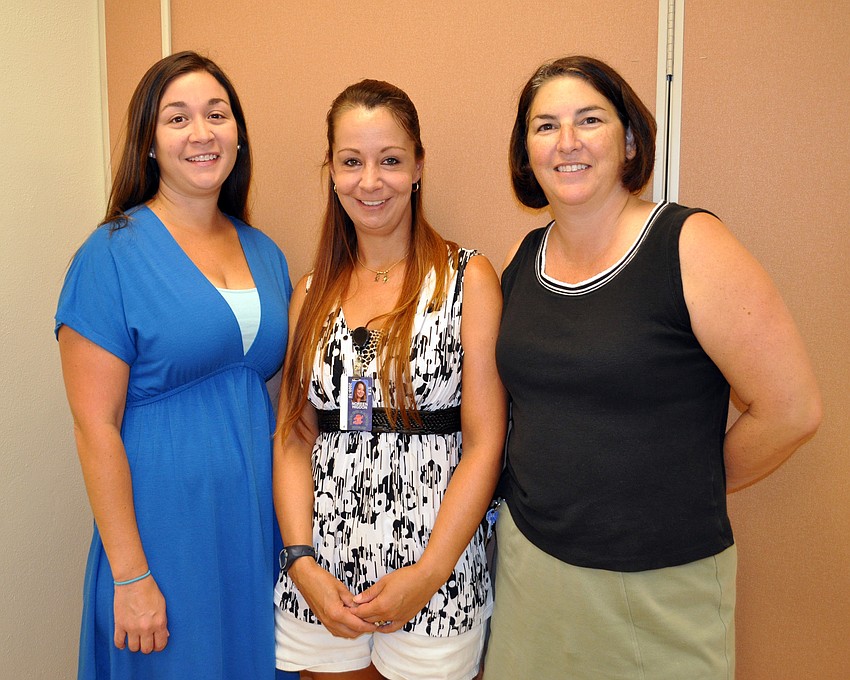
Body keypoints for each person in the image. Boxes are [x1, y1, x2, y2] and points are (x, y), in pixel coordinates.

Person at [484, 56, 822, 680]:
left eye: (590, 120)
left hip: (658, 583)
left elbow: (792, 410)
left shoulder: (688, 244)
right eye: (545, 125)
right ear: (525, 152)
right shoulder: (521, 257)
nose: (567, 142)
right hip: (531, 567)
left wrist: (683, 484)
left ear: (631, 140)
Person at [56, 51, 292, 679]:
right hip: (161, 536)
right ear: (150, 142)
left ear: (238, 135)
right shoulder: (110, 254)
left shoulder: (266, 253)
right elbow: (94, 427)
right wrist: (131, 575)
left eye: (217, 114)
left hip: (252, 527)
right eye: (177, 118)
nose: (201, 133)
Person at [272, 80, 506, 680]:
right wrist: (301, 563)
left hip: (435, 578)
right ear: (331, 171)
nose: (370, 181)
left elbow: (485, 444)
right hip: (324, 580)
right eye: (351, 161)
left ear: (419, 166)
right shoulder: (309, 292)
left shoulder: (468, 278)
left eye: (391, 160)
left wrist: (428, 575)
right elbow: (294, 436)